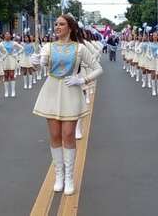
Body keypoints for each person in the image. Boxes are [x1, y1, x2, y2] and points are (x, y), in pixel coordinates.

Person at [31, 14, 103, 196]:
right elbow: (42, 65)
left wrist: (82, 79)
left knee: (68, 134)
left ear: (70, 27)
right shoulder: (48, 47)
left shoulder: (79, 49)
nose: (57, 27)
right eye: (56, 24)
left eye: (61, 24)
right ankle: (59, 176)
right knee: (55, 135)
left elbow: (98, 68)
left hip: (71, 91)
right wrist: (35, 63)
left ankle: (70, 177)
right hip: (52, 90)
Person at [1, 31, 23, 98]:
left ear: (11, 36)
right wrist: (1, 57)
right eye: (6, 34)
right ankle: (6, 91)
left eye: (8, 34)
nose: (7, 36)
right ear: (4, 36)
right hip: (5, 59)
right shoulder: (1, 43)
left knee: (11, 74)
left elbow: (22, 48)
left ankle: (13, 91)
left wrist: (16, 54)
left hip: (12, 59)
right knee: (6, 75)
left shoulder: (14, 43)